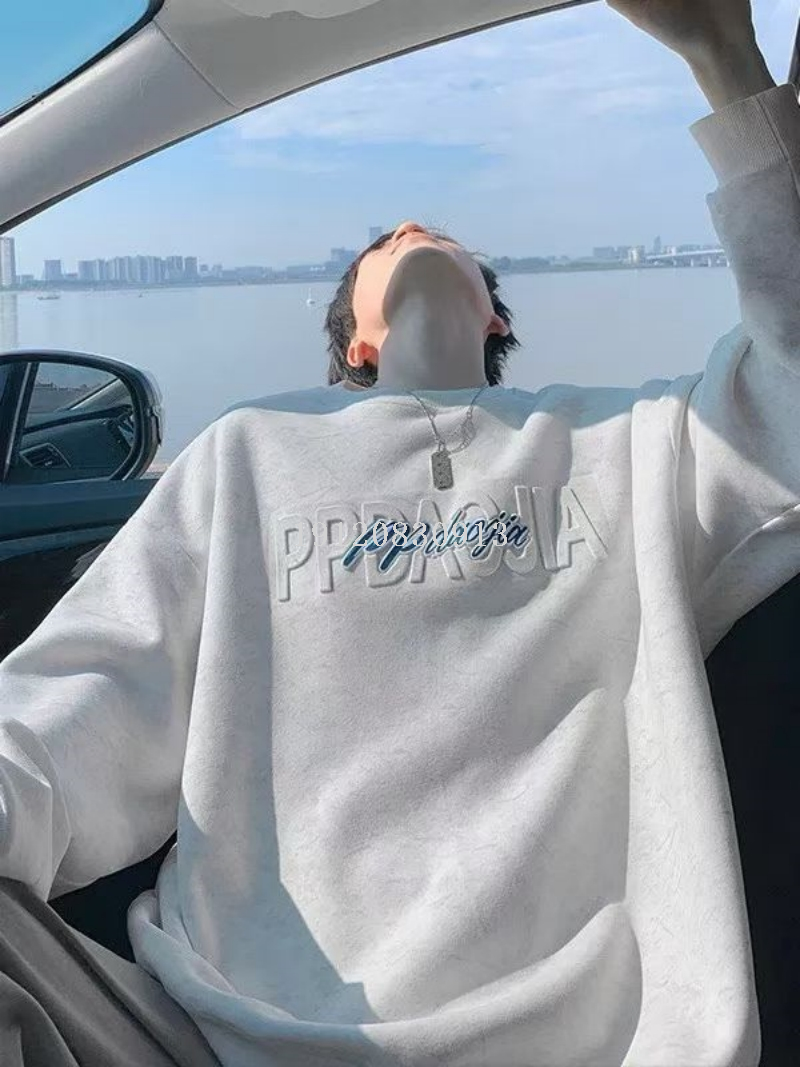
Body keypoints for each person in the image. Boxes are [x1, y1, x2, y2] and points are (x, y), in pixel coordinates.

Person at [0, 1, 796, 1064]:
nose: (411, 227)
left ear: (495, 316)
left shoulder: (635, 440)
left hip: (602, 1041)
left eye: (439, 240)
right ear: (357, 345)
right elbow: (83, 696)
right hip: (225, 1034)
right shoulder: (250, 448)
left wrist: (723, 56)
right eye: (380, 246)